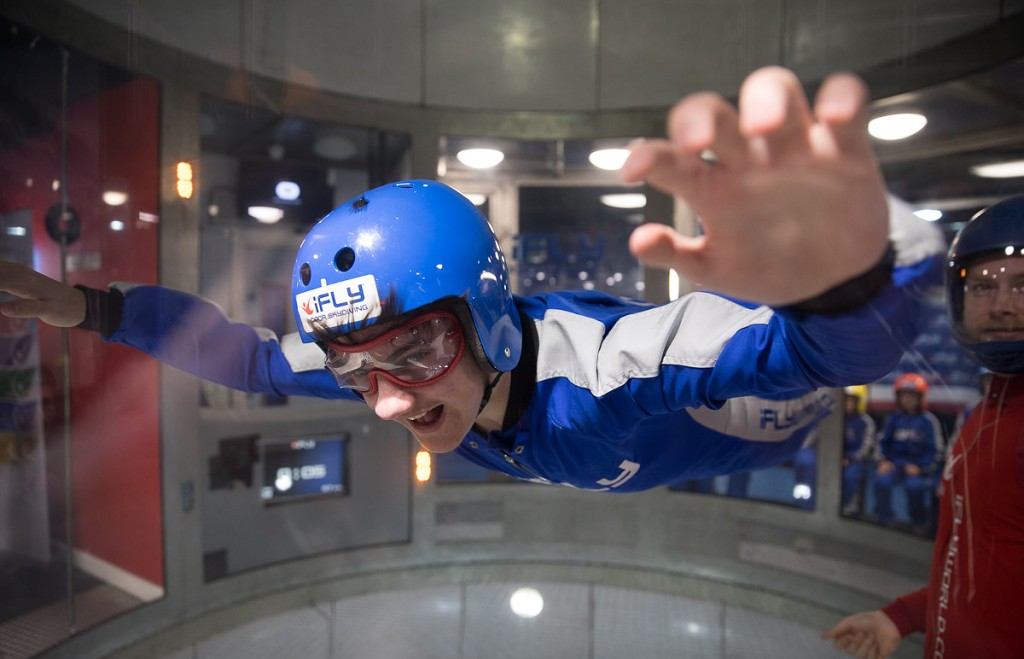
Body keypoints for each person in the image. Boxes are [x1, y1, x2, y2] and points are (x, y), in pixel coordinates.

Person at [0, 67, 945, 492]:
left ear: (490, 320)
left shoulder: (610, 371)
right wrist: (87, 306)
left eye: (415, 350)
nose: (383, 400)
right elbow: (244, 357)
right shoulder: (381, 360)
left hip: (771, 416)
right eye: (352, 366)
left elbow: (822, 359)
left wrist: (849, 282)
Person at [823, 194, 1024, 659]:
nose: (1002, 306)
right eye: (983, 287)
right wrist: (905, 616)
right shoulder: (986, 414)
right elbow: (982, 567)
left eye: (1023, 286)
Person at [869, 373, 943, 527]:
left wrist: (922, 467)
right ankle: (883, 518)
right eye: (904, 395)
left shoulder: (929, 421)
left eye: (912, 396)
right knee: (881, 481)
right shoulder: (893, 418)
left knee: (914, 487)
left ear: (921, 398)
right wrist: (882, 461)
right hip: (895, 463)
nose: (907, 399)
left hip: (918, 465)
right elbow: (881, 442)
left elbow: (936, 450)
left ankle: (918, 522)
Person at [840, 385, 876, 515]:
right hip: (837, 457)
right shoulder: (836, 418)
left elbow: (866, 447)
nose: (848, 403)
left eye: (852, 400)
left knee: (850, 476)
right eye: (846, 399)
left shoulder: (866, 422)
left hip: (856, 460)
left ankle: (849, 506)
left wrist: (850, 458)